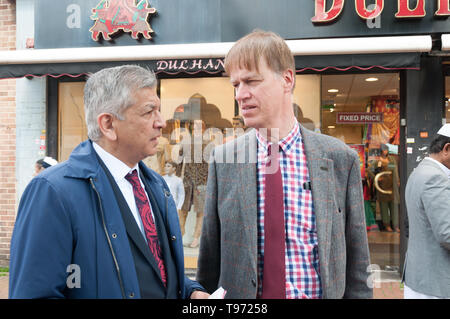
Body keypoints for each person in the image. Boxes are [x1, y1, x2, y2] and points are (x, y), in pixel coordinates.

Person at [196, 30, 372, 299]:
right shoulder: (224, 161)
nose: (240, 94)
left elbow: (357, 263)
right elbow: (208, 265)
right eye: (235, 85)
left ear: (287, 79)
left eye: (251, 81)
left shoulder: (339, 158)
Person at [9, 65, 208, 299]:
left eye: (159, 110)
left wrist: (191, 292)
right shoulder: (53, 191)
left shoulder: (155, 184)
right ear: (108, 125)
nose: (161, 122)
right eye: (148, 112)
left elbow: (157, 272)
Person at [403, 124, 450, 299]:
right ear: (447, 149)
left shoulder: (420, 171)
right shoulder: (435, 178)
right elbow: (447, 234)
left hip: (422, 277)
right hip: (435, 282)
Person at [367, 144, 400, 232]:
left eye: (386, 150)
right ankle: (387, 225)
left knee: (394, 207)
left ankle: (396, 226)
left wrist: (397, 181)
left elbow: (395, 170)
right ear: (381, 150)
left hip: (392, 186)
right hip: (382, 187)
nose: (385, 151)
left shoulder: (391, 159)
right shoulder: (377, 161)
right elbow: (369, 170)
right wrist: (376, 178)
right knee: (384, 207)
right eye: (384, 150)